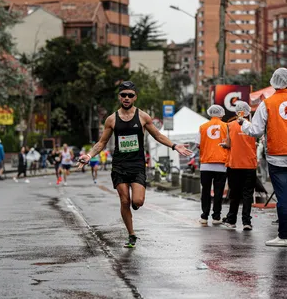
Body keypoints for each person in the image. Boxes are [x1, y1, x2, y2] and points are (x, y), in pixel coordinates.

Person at [77, 81, 192, 248]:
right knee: (124, 201)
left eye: (130, 95)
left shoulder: (143, 117)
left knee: (137, 201)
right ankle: (131, 235)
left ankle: (135, 205)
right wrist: (89, 155)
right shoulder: (111, 119)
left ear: (135, 97)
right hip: (119, 165)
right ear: (119, 97)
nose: (126, 98)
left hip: (137, 164)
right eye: (123, 95)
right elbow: (102, 142)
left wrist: (175, 146)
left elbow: (158, 136)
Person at [238, 68, 287, 246]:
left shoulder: (267, 104)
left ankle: (283, 236)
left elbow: (256, 131)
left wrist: (244, 124)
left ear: (274, 82)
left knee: (283, 198)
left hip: (277, 157)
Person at [220, 101, 257, 231]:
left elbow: (228, 144)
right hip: (250, 164)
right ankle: (246, 221)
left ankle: (231, 220)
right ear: (247, 112)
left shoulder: (229, 125)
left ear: (236, 112)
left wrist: (224, 145)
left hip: (234, 164)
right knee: (247, 194)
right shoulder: (253, 126)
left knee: (234, 193)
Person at [195, 105, 228, 225]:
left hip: (206, 164)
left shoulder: (203, 127)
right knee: (219, 192)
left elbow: (198, 144)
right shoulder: (226, 126)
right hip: (221, 164)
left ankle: (204, 216)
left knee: (206, 191)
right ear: (221, 114)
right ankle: (216, 216)